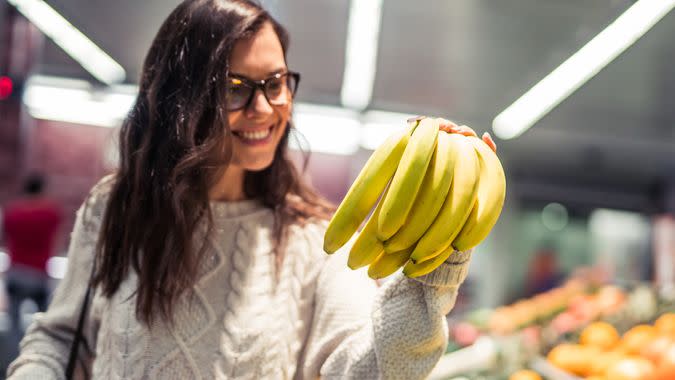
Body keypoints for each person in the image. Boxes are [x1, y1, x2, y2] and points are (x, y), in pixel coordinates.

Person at [7, 1, 495, 379]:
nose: (264, 108)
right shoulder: (117, 207)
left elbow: (369, 372)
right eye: (235, 87)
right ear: (182, 99)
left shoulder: (317, 238)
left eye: (276, 83)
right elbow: (60, 337)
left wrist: (431, 276)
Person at [2, 173, 62, 360]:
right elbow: (55, 237)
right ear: (42, 189)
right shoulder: (51, 213)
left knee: (13, 322)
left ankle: (14, 358)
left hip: (17, 271)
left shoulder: (13, 212)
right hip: (39, 272)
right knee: (44, 321)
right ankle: (40, 356)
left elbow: (6, 237)